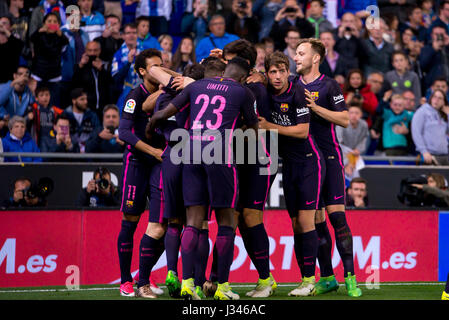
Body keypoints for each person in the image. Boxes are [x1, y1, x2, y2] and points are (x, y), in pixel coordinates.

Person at [148, 57, 259, 300]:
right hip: (219, 154)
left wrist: (151, 127)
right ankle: (222, 287)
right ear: (243, 75)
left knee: (193, 220)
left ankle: (187, 283)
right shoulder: (243, 91)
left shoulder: (196, 86)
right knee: (226, 221)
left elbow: (162, 114)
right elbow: (253, 129)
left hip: (191, 151)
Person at [294, 38, 362, 297]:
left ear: (315, 58)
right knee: (316, 220)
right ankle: (328, 277)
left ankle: (350, 276)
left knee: (336, 216)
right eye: (296, 53)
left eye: (301, 53)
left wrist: (315, 107)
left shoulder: (329, 84)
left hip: (330, 158)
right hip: (306, 161)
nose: (296, 57)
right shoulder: (292, 84)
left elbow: (344, 119)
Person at [257, 51, 323, 297]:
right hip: (289, 164)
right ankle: (305, 278)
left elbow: (303, 132)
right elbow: (248, 73)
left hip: (308, 162)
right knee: (295, 224)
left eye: (281, 71)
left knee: (305, 222)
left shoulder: (297, 93)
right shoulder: (264, 88)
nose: (276, 76)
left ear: (288, 72)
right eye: (272, 72)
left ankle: (309, 280)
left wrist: (270, 127)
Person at [116, 49, 165, 299]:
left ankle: (142, 276)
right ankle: (125, 280)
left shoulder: (167, 92)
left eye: (162, 65)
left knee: (162, 224)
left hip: (159, 165)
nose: (160, 70)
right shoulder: (134, 97)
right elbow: (123, 133)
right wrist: (153, 151)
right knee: (130, 222)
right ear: (142, 71)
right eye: (155, 66)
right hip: (137, 163)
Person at [30, 12, 68, 108]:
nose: (52, 23)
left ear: (59, 25)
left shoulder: (60, 37)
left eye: (55, 21)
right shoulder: (39, 35)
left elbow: (66, 42)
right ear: (44, 23)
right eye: (49, 21)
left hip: (54, 75)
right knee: (38, 104)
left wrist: (61, 35)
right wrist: (40, 31)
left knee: (54, 104)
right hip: (39, 74)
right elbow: (31, 38)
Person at [72, 41, 114, 118]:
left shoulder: (104, 66)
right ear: (86, 51)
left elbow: (110, 83)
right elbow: (74, 84)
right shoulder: (80, 67)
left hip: (103, 108)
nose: (92, 53)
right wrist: (81, 65)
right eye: (90, 50)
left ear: (99, 51)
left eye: (95, 50)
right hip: (87, 108)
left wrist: (101, 69)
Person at [111, 22, 144, 112]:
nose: (131, 36)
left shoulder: (145, 53)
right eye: (128, 33)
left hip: (143, 94)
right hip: (123, 96)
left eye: (134, 33)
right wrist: (128, 62)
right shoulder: (118, 55)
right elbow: (116, 79)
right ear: (123, 36)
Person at [412, 89, 449, 165]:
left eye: (440, 98)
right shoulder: (422, 111)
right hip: (430, 155)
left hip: (444, 154)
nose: (436, 100)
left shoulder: (443, 114)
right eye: (435, 97)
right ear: (431, 98)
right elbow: (416, 132)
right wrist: (424, 151)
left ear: (444, 102)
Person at [63, 88, 101, 153]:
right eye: (82, 99)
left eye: (86, 99)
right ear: (74, 101)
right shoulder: (64, 115)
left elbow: (97, 132)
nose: (86, 102)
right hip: (69, 152)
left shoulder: (92, 115)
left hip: (89, 151)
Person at [26, 86, 63, 152]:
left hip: (53, 138)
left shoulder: (55, 110)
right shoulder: (32, 108)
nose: (45, 97)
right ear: (36, 98)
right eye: (41, 95)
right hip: (38, 139)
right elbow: (24, 122)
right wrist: (28, 118)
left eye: (47, 95)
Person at [419, 26, 449, 90]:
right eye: (436, 34)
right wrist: (433, 49)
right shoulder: (426, 49)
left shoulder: (447, 48)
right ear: (432, 35)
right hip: (432, 85)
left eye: (441, 34)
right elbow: (422, 65)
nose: (439, 37)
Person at [0, 14, 24, 83]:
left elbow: (20, 46)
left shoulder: (13, 43)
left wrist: (6, 31)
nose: (1, 25)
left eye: (4, 23)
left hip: (10, 82)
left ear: (10, 27)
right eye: (0, 23)